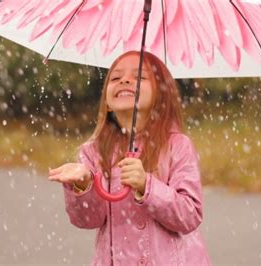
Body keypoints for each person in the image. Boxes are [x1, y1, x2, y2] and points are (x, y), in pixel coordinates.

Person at [48, 51, 210, 266]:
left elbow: (189, 215)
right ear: (106, 102)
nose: (125, 80)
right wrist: (83, 185)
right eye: (115, 78)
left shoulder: (177, 146)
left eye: (139, 77)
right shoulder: (94, 151)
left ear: (161, 94)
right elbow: (88, 220)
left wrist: (147, 186)